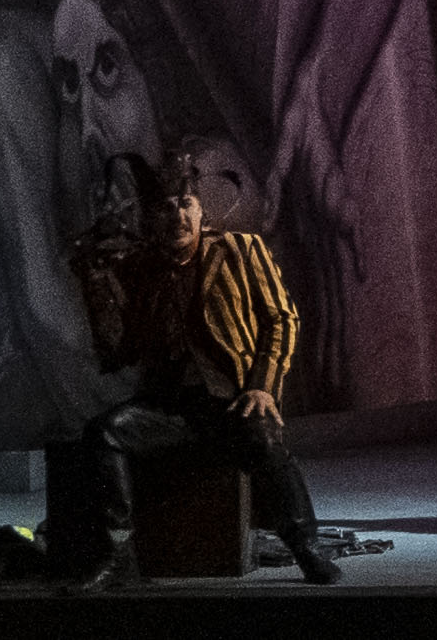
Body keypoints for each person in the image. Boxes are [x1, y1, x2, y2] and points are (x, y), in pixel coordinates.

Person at [50, 153, 340, 589]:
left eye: (186, 204)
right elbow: (118, 351)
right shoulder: (142, 269)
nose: (178, 217)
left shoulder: (240, 250)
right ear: (152, 217)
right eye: (166, 208)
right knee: (105, 432)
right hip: (171, 407)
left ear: (202, 211)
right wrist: (96, 284)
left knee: (262, 436)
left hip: (231, 399)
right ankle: (118, 555)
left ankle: (306, 546)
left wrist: (263, 387)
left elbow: (282, 318)